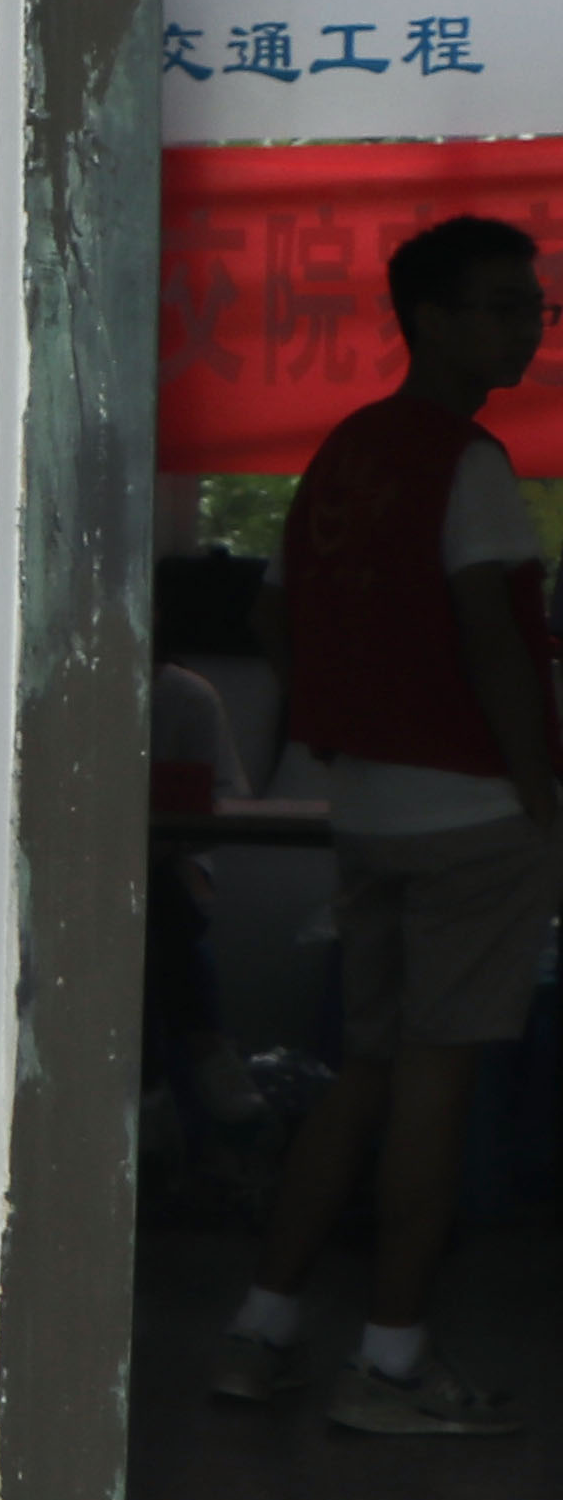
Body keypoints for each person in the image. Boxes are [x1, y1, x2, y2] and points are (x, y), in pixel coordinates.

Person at [221, 208, 551, 1435]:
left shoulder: (345, 453)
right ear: (430, 319)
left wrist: (341, 715)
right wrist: (539, 791)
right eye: (504, 307)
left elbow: (272, 618)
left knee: (365, 1071)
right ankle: (392, 1363)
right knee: (437, 1086)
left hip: (369, 811)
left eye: (535, 308)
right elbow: (496, 642)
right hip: (473, 812)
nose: (528, 329)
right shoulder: (467, 463)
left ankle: (260, 1331)